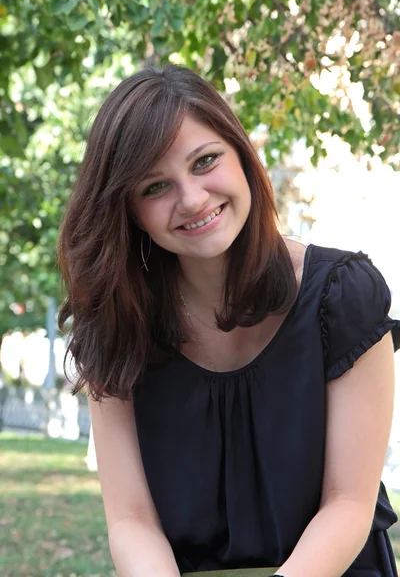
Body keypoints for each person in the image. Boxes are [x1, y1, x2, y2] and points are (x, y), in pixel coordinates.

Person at [58, 64, 400, 577]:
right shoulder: (116, 325)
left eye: (205, 161)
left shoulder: (343, 295)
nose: (192, 199)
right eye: (155, 187)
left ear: (242, 156)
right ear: (128, 212)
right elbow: (130, 520)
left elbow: (348, 503)